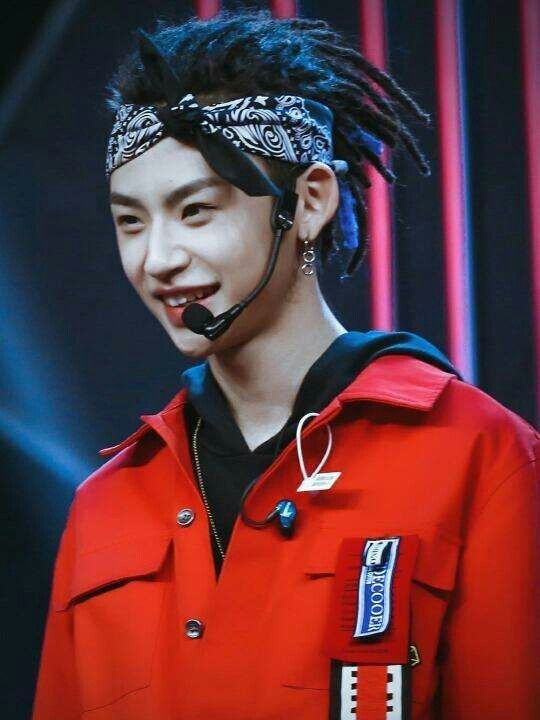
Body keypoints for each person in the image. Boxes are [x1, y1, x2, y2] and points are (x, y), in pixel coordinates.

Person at [32, 9, 539, 720]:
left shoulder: (478, 456)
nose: (157, 259)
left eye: (196, 210)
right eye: (131, 221)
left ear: (309, 201)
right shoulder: (105, 505)